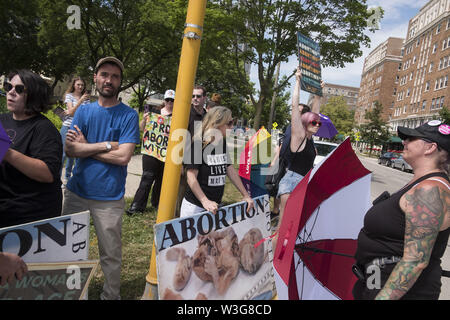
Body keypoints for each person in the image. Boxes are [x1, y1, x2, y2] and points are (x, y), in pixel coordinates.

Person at [62, 57, 140, 300]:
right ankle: (74, 293)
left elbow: (124, 157)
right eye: (104, 74)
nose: (109, 80)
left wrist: (88, 147)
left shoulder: (129, 116)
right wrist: (107, 145)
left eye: (115, 76)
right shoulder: (83, 111)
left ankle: (110, 296)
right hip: (76, 192)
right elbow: (71, 150)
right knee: (70, 251)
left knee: (111, 254)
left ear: (120, 82)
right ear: (95, 78)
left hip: (109, 196)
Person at [353, 121, 450, 300]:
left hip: (402, 291)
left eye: (410, 138)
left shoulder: (429, 190)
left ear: (430, 147)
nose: (404, 141)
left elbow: (415, 261)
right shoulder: (419, 182)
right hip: (376, 277)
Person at [0, 69, 62, 228]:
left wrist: (6, 151)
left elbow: (48, 173)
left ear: (33, 95)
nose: (11, 93)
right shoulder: (2, 120)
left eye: (19, 89)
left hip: (27, 215)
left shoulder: (44, 129)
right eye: (8, 87)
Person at [273, 67, 322, 238]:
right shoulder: (299, 136)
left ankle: (282, 260)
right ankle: (274, 262)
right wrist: (297, 81)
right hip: (291, 184)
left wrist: (318, 95)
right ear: (306, 122)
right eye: (315, 123)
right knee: (282, 229)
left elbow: (315, 112)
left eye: (318, 123)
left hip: (302, 184)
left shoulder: (309, 139)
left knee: (292, 231)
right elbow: (295, 106)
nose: (317, 125)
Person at [180, 106, 254, 217]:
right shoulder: (198, 143)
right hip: (195, 207)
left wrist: (245, 195)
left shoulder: (221, 143)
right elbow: (190, 176)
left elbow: (230, 170)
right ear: (217, 124)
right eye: (229, 123)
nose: (232, 126)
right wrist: (205, 201)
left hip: (213, 207)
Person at [126, 89, 175, 215]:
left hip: (167, 153)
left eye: (172, 100)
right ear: (164, 100)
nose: (170, 102)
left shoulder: (177, 117)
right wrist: (144, 120)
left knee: (161, 179)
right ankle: (137, 206)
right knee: (147, 177)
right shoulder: (154, 112)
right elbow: (143, 128)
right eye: (168, 100)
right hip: (151, 151)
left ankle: (156, 202)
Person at [174, 85, 208, 217]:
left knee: (196, 191)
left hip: (201, 161)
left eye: (198, 96)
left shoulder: (207, 116)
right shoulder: (185, 114)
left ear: (204, 98)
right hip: (185, 159)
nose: (195, 99)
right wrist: (181, 163)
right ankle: (177, 217)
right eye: (193, 96)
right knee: (181, 191)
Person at [60, 77, 91, 184]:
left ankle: (67, 177)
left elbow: (86, 114)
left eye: (82, 85)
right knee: (63, 154)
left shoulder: (86, 99)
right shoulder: (69, 96)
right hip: (67, 126)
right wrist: (80, 101)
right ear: (74, 85)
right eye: (78, 84)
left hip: (78, 128)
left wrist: (73, 109)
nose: (80, 87)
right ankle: (57, 178)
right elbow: (72, 113)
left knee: (72, 155)